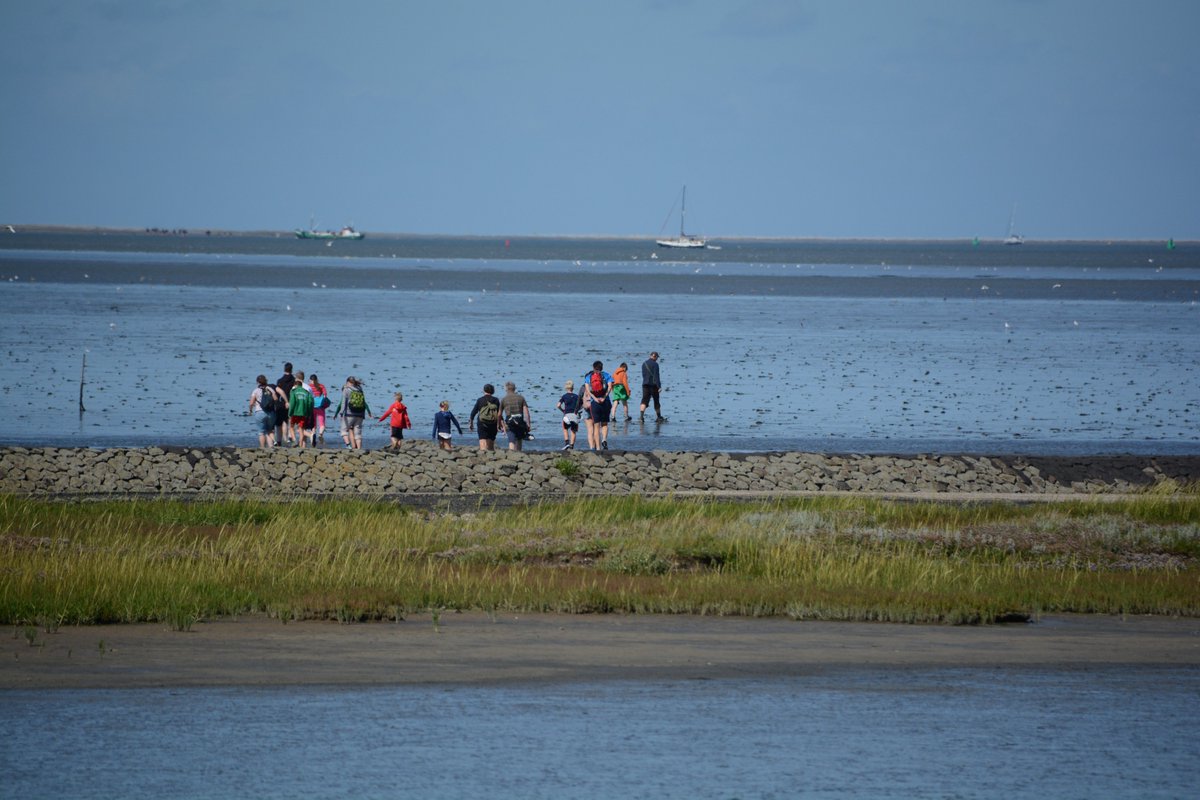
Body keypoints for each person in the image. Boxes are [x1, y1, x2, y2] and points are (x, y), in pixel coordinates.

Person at [248, 375, 285, 449]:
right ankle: (272, 444)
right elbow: (276, 399)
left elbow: (251, 403)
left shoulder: (256, 391)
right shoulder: (270, 389)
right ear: (266, 381)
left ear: (257, 382)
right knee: (270, 430)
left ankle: (262, 448)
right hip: (271, 413)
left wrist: (250, 410)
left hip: (260, 412)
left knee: (261, 432)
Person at [334, 376, 370, 449]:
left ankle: (348, 446)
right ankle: (359, 449)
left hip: (349, 414)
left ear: (347, 382)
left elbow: (343, 403)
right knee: (358, 432)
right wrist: (367, 413)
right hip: (360, 414)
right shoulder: (360, 389)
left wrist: (341, 413)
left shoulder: (346, 389)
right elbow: (364, 402)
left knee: (343, 430)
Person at [584, 361, 612, 450]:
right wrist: (604, 397)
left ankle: (598, 448)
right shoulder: (607, 375)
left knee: (596, 426)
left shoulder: (589, 377)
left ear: (593, 367)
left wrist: (595, 399)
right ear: (602, 367)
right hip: (605, 402)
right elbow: (610, 387)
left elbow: (588, 390)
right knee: (604, 424)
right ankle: (604, 439)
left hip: (595, 403)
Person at [500, 381, 532, 451]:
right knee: (519, 439)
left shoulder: (504, 399)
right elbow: (526, 412)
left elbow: (499, 414)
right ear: (514, 389)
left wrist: (500, 424)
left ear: (506, 389)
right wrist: (528, 424)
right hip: (520, 421)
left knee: (511, 440)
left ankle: (512, 455)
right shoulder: (521, 398)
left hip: (509, 422)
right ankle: (519, 455)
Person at [469, 384, 502, 451]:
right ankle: (491, 456)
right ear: (493, 391)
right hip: (493, 423)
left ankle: (483, 455)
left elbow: (473, 413)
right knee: (491, 443)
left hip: (482, 423)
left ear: (484, 390)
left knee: (482, 440)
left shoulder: (480, 400)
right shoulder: (496, 400)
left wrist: (471, 423)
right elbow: (499, 413)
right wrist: (500, 424)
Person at [287, 371, 315, 448]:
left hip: (295, 412)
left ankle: (294, 440)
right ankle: (300, 445)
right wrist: (309, 413)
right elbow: (311, 401)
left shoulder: (294, 390)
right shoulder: (308, 389)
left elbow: (292, 402)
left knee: (291, 427)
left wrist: (290, 412)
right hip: (304, 412)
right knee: (301, 429)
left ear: (296, 379)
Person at [639, 351, 665, 421]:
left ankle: (641, 417)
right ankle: (659, 417)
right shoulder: (655, 364)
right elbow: (657, 376)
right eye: (657, 357)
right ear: (655, 357)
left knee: (644, 400)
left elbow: (643, 375)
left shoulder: (644, 364)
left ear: (650, 356)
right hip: (653, 385)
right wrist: (659, 386)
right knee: (656, 401)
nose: (657, 359)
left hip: (645, 384)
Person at [276, 362, 297, 445]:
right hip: (291, 402)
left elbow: (278, 393)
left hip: (282, 402)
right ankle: (289, 437)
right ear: (291, 369)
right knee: (290, 420)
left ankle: (284, 438)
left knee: (283, 421)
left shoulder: (280, 380)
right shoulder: (294, 380)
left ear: (284, 369)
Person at [557, 380, 581, 451]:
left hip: (567, 415)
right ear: (573, 387)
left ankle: (567, 442)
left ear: (566, 387)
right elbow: (581, 405)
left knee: (565, 429)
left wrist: (563, 410)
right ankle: (571, 445)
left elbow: (558, 405)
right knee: (573, 431)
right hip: (574, 415)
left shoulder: (564, 396)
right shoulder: (577, 396)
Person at [307, 373, 330, 444]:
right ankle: (320, 434)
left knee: (313, 424)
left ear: (310, 380)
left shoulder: (309, 386)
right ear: (317, 379)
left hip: (312, 407)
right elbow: (325, 395)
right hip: (320, 407)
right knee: (322, 423)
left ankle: (312, 436)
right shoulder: (321, 386)